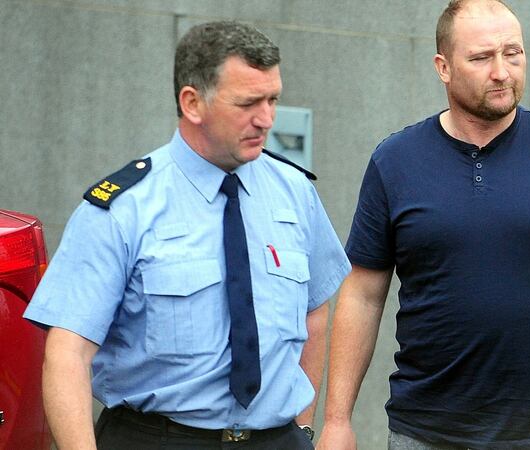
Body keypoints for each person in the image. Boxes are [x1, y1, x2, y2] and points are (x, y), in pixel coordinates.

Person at [317, 1, 530, 449]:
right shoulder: (395, 161)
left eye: (513, 53)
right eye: (482, 57)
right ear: (443, 67)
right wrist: (337, 420)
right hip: (425, 430)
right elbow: (362, 294)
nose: (502, 71)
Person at [23, 21, 350, 450]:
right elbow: (67, 353)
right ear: (192, 103)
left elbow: (315, 310)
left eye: (273, 99)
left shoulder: (295, 193)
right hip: (159, 438)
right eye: (248, 102)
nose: (266, 119)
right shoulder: (124, 208)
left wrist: (301, 427)